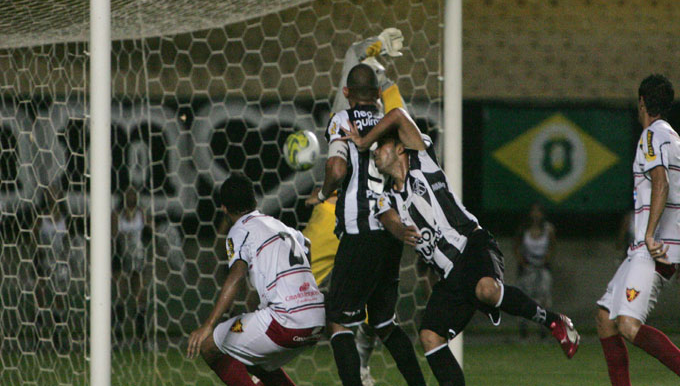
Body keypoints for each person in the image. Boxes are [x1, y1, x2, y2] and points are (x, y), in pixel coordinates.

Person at [341, 107, 580, 386]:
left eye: (381, 147)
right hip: (450, 274)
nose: (376, 152)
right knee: (430, 336)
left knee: (486, 289)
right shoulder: (385, 199)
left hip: (473, 244)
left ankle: (554, 322)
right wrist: (399, 229)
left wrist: (365, 139)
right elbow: (390, 221)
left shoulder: (423, 160)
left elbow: (396, 114)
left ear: (399, 148)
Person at [306, 63, 427, 386]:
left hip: (360, 232)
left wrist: (323, 193)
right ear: (376, 95)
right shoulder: (389, 125)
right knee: (385, 322)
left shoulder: (343, 120)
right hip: (390, 231)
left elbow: (337, 168)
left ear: (346, 93)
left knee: (338, 321)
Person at [187, 173, 325, 386]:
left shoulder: (240, 229)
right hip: (316, 319)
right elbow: (305, 243)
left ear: (224, 208)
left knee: (208, 345)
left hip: (286, 322)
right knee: (249, 353)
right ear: (254, 201)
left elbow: (236, 276)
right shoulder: (278, 225)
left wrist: (208, 325)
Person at [596, 74, 680, 385]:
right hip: (652, 249)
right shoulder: (673, 138)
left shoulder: (651, 137)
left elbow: (661, 182)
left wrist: (649, 235)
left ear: (641, 102)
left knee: (628, 325)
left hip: (652, 248)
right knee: (605, 319)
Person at [112, 187, 149, 344]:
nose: (131, 196)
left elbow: (149, 229)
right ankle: (117, 329)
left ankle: (141, 330)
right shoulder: (117, 214)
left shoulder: (142, 213)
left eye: (134, 193)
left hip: (137, 255)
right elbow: (113, 234)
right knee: (121, 290)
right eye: (128, 193)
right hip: (121, 253)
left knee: (139, 289)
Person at [514, 202, 556, 339]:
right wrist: (524, 263)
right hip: (527, 268)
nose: (536, 215)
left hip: (542, 267)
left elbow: (552, 247)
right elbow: (516, 247)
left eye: (539, 212)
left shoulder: (548, 229)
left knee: (544, 299)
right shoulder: (524, 229)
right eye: (534, 212)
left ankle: (543, 331)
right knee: (524, 298)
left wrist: (544, 262)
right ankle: (523, 330)